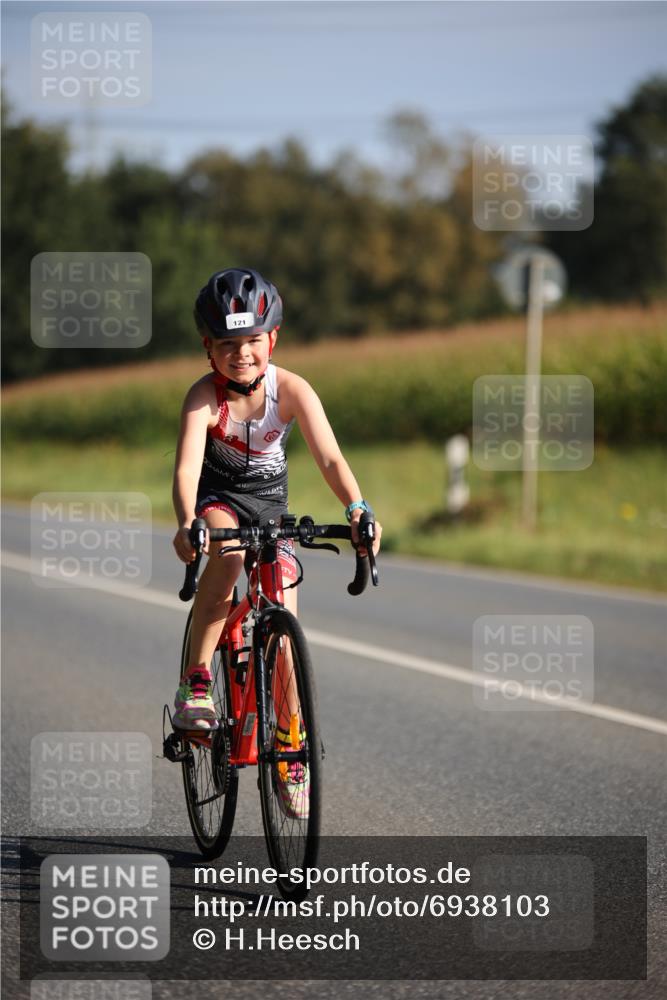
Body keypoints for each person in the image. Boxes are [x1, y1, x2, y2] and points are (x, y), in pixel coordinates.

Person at [171, 267, 381, 809]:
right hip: (219, 504)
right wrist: (186, 521)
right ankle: (197, 682)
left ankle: (291, 740)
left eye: (251, 341)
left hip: (271, 509)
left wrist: (357, 509)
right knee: (229, 553)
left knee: (285, 612)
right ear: (207, 347)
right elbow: (188, 471)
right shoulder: (202, 397)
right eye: (226, 344)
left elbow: (330, 457)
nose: (241, 354)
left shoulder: (291, 389)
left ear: (272, 339)